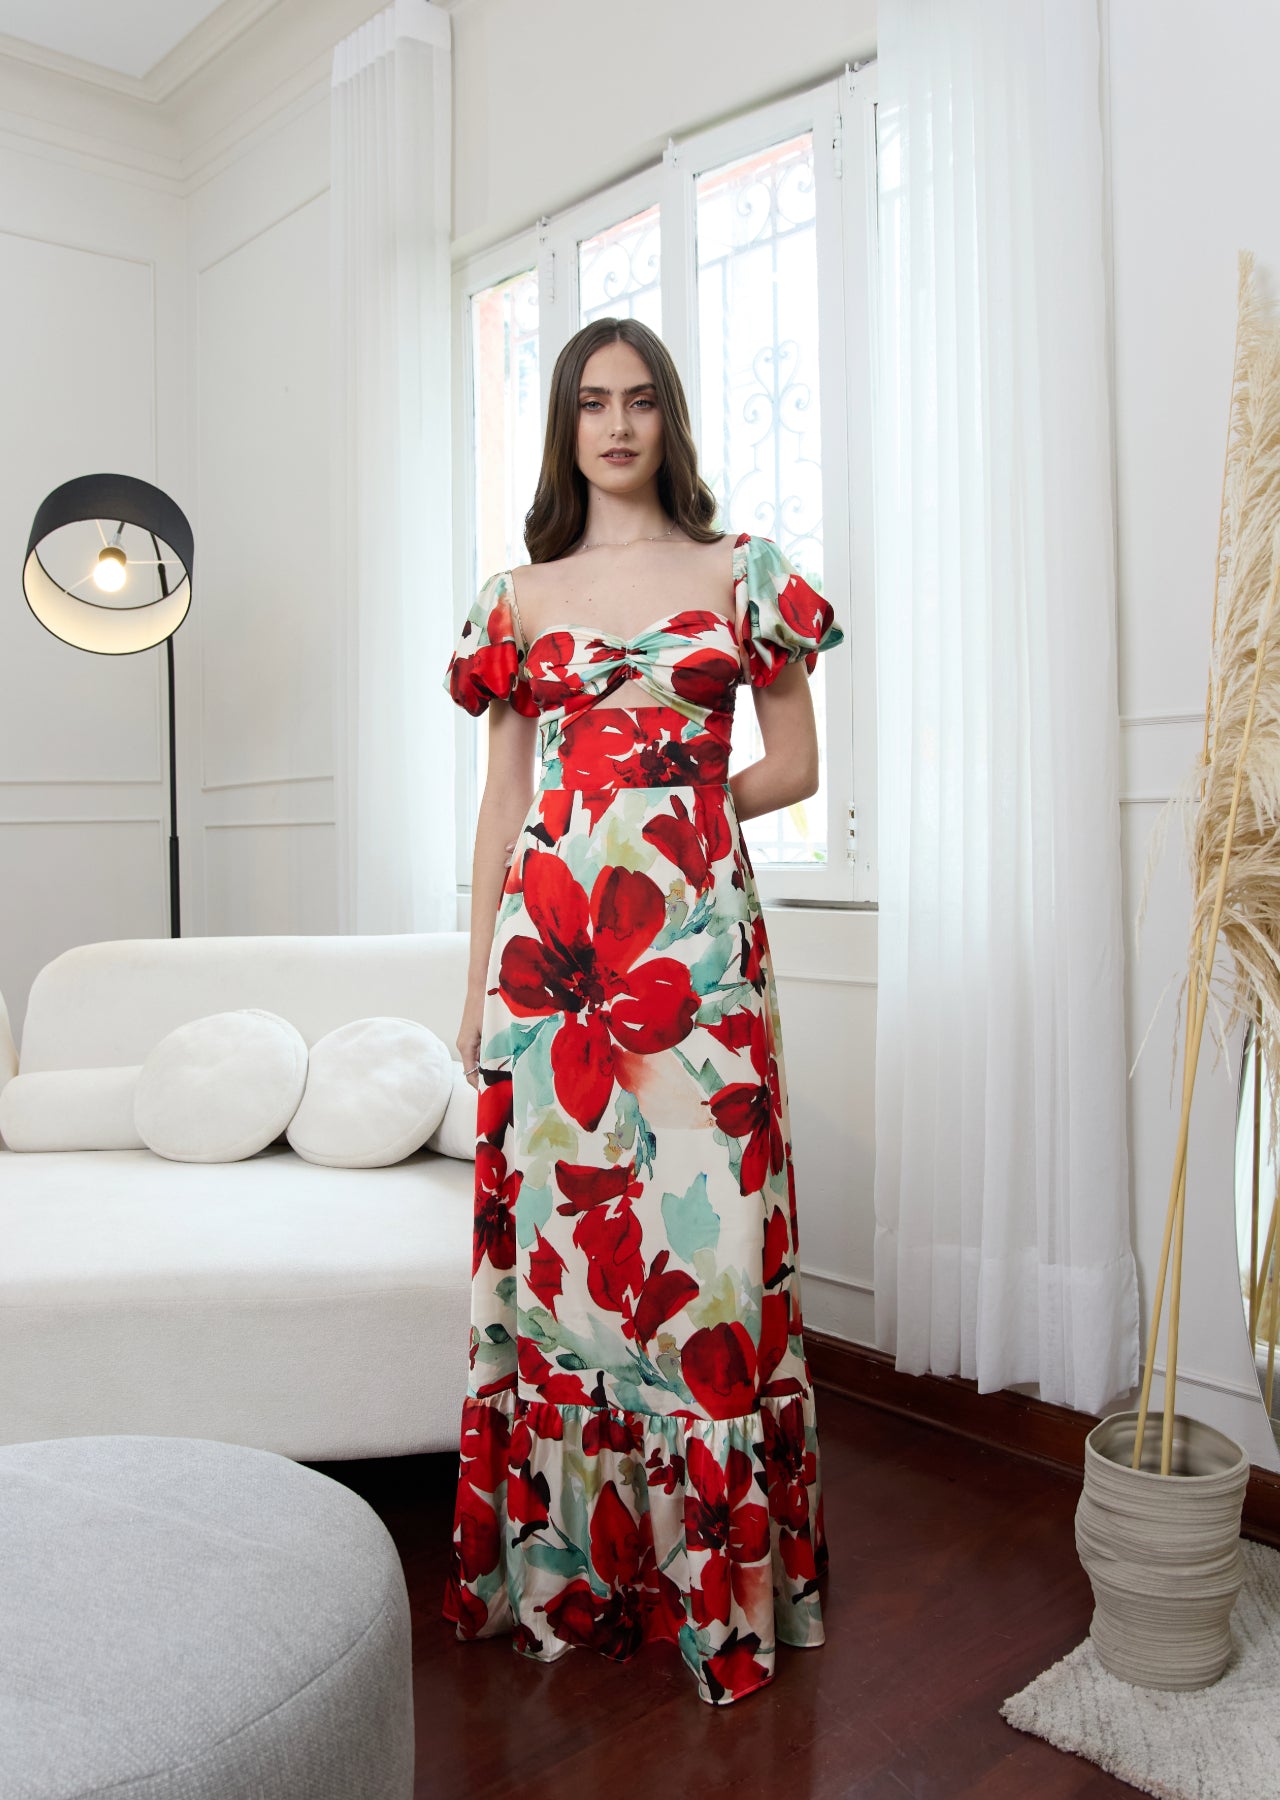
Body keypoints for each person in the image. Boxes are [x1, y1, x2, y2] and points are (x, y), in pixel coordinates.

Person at [440, 315, 841, 1707]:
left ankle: (720, 1596)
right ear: (564, 428)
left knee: (713, 1258)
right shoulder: (517, 595)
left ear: (671, 420)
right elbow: (503, 801)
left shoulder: (746, 573)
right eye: (592, 404)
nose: (617, 425)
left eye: (642, 402)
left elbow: (791, 762)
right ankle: (581, 1580)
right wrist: (473, 975)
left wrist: (670, 816)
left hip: (699, 958)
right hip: (549, 976)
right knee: (565, 1283)